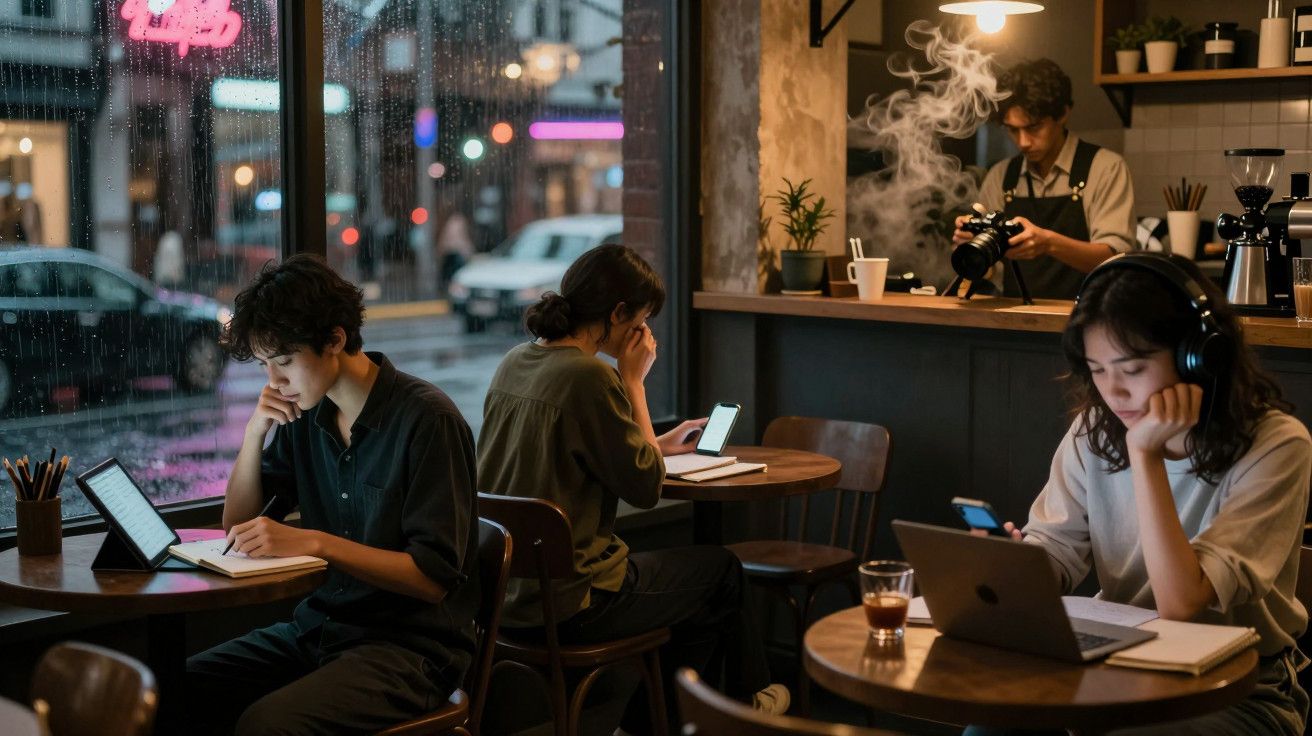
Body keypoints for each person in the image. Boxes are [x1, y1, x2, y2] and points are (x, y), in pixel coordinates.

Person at [967, 252, 1311, 735]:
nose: (1114, 393)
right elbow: (1059, 550)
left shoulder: (1277, 444)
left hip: (1241, 689)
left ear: (1200, 355)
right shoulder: (1094, 429)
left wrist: (1145, 455)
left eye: (1131, 369)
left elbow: (1180, 603)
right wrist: (1017, 566)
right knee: (991, 723)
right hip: (1119, 664)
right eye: (1099, 370)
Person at [477, 244, 790, 731]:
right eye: (640, 321)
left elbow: (578, 453)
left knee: (691, 587)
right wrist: (634, 384)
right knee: (722, 571)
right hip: (572, 603)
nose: (643, 335)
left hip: (505, 597)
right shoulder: (590, 376)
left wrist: (656, 442)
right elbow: (646, 488)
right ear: (618, 313)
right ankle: (746, 702)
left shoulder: (516, 362)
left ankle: (657, 719)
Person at [185, 254, 480, 735]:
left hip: (411, 651)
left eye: (283, 362)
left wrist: (317, 543)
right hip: (321, 630)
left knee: (267, 725)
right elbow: (235, 527)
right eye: (264, 365)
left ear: (336, 339)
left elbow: (432, 578)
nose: (273, 382)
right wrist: (254, 432)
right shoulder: (304, 416)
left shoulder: (428, 421)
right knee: (181, 687)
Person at [953, 58, 1136, 300]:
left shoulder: (1105, 168)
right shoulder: (1001, 176)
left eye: (1034, 127)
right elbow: (992, 273)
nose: (1023, 142)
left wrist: (1048, 243)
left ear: (1063, 114)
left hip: (1084, 321)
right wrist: (974, 249)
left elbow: (1114, 260)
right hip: (1014, 320)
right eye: (1013, 129)